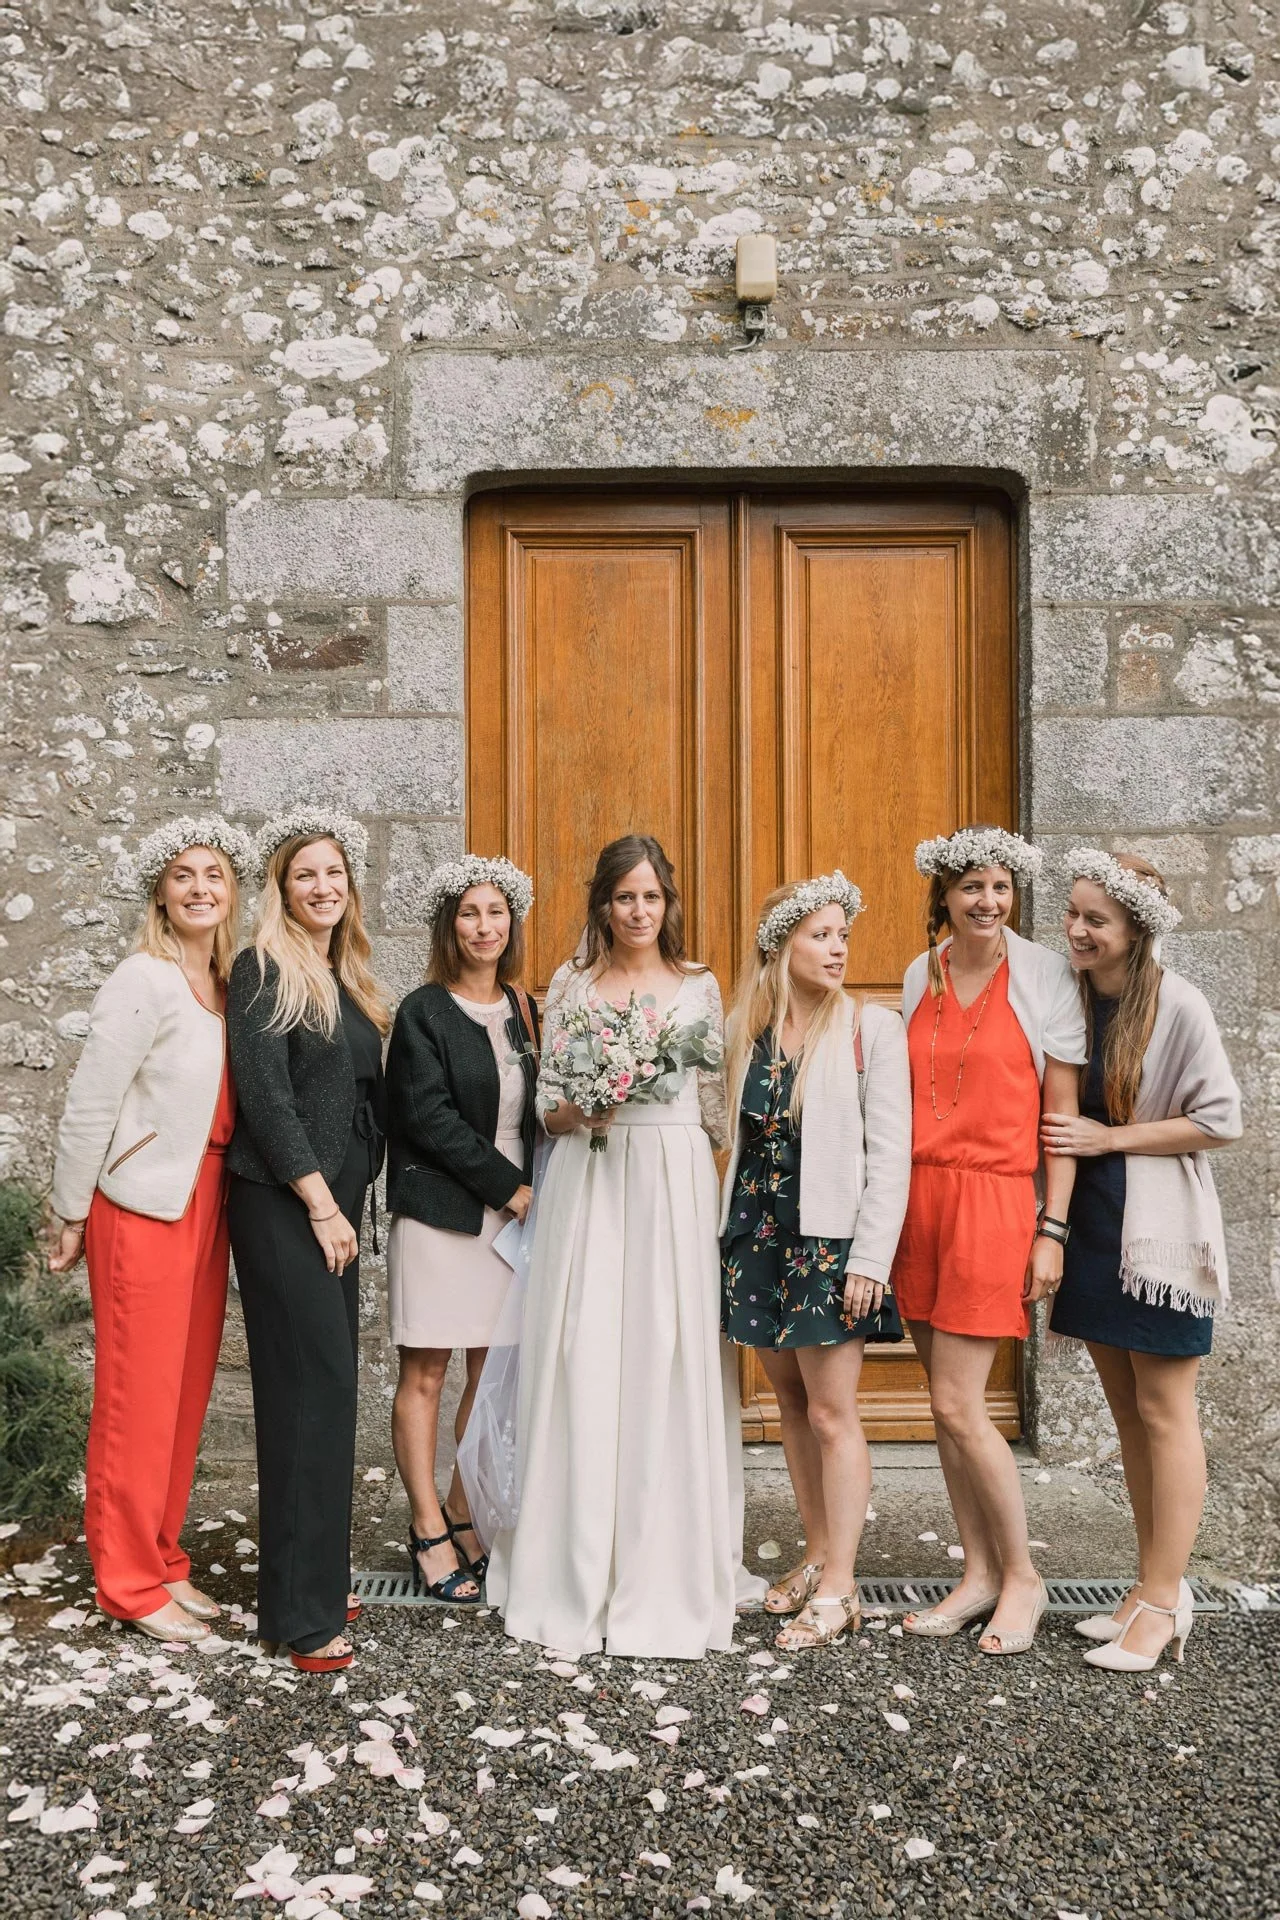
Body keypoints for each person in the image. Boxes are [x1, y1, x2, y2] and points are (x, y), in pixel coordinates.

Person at [486, 833, 763, 1658]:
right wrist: (584, 1111)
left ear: (668, 904)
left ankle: (664, 1563)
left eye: (651, 897)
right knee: (581, 1347)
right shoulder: (571, 984)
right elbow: (547, 1106)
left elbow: (717, 1110)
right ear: (603, 906)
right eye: (624, 898)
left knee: (664, 1348)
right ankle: (571, 1565)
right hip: (587, 1177)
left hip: (670, 1177)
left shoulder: (700, 986)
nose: (639, 912)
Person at [49, 816, 256, 1644]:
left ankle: (163, 1556)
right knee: (136, 1397)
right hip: (141, 1203)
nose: (200, 887)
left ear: (232, 890)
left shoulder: (231, 983)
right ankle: (128, 1581)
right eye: (183, 875)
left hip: (210, 1200)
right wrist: (69, 1212)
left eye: (214, 873)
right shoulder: (143, 976)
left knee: (182, 1391)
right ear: (160, 894)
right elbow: (91, 1100)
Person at [1044, 849, 1242, 1672]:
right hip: (1094, 1225)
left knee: (1166, 1412)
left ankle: (1166, 1602)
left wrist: (1111, 1137)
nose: (1079, 930)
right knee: (1128, 1414)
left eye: (1098, 919)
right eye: (1074, 914)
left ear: (1136, 929)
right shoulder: (1069, 996)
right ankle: (1146, 1584)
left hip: (1157, 1230)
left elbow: (1221, 1117)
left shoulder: (1180, 1005)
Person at [893, 825, 1085, 1656]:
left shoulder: (1042, 975)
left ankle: (1024, 1579)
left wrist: (1053, 1228)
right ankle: (975, 1575)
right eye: (972, 886)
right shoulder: (917, 974)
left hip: (996, 1200)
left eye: (1001, 887)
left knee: (958, 1403)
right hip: (918, 1202)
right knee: (944, 1408)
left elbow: (1063, 1118)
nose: (987, 902)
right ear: (944, 893)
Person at [720, 873, 912, 1651]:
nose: (837, 950)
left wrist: (871, 1257)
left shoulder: (871, 1028)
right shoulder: (745, 1029)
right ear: (779, 944)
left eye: (842, 936)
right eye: (821, 935)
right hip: (756, 1239)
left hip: (829, 1243)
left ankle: (841, 1588)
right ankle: (818, 1551)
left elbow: (890, 1153)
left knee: (834, 1412)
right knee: (790, 1406)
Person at [226, 808, 389, 1673]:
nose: (322, 887)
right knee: (311, 1391)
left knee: (324, 1395)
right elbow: (268, 1101)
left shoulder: (346, 973)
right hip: (286, 1205)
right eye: (304, 876)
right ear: (281, 889)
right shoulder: (261, 969)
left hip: (336, 1210)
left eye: (333, 874)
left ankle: (308, 1582)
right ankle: (302, 1615)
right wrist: (323, 1206)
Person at [385, 855, 539, 1605]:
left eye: (497, 913)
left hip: (514, 1208)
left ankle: (463, 1508)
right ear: (451, 924)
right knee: (427, 1374)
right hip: (446, 1209)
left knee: (492, 1372)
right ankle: (424, 1529)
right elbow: (428, 1116)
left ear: (512, 923)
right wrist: (506, 1188)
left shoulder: (525, 1008)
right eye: (471, 914)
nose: (485, 926)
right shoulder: (424, 1011)